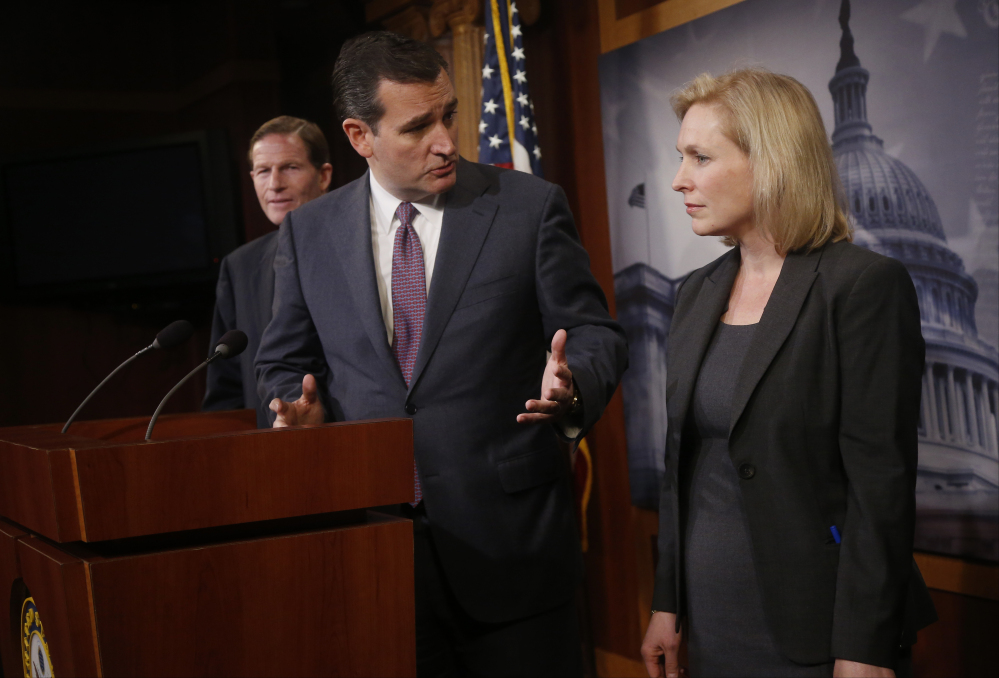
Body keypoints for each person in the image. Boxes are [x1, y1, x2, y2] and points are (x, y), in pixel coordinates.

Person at [254, 32, 627, 677]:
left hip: (511, 552)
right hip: (375, 551)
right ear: (359, 136)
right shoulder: (310, 234)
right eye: (418, 126)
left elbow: (595, 333)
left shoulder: (527, 208)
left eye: (448, 114)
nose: (446, 141)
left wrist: (574, 386)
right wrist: (295, 418)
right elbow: (282, 364)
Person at [640, 69, 936, 678]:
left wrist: (864, 647)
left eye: (700, 157)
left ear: (770, 161)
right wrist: (666, 603)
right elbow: (681, 470)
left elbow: (880, 490)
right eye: (680, 157)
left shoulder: (861, 287)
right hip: (713, 621)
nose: (679, 180)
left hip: (821, 631)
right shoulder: (696, 293)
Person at [203, 116, 332, 427]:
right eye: (263, 171)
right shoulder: (239, 266)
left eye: (290, 167)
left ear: (324, 175)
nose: (274, 184)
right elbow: (226, 388)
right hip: (268, 454)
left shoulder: (355, 249)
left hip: (351, 439)